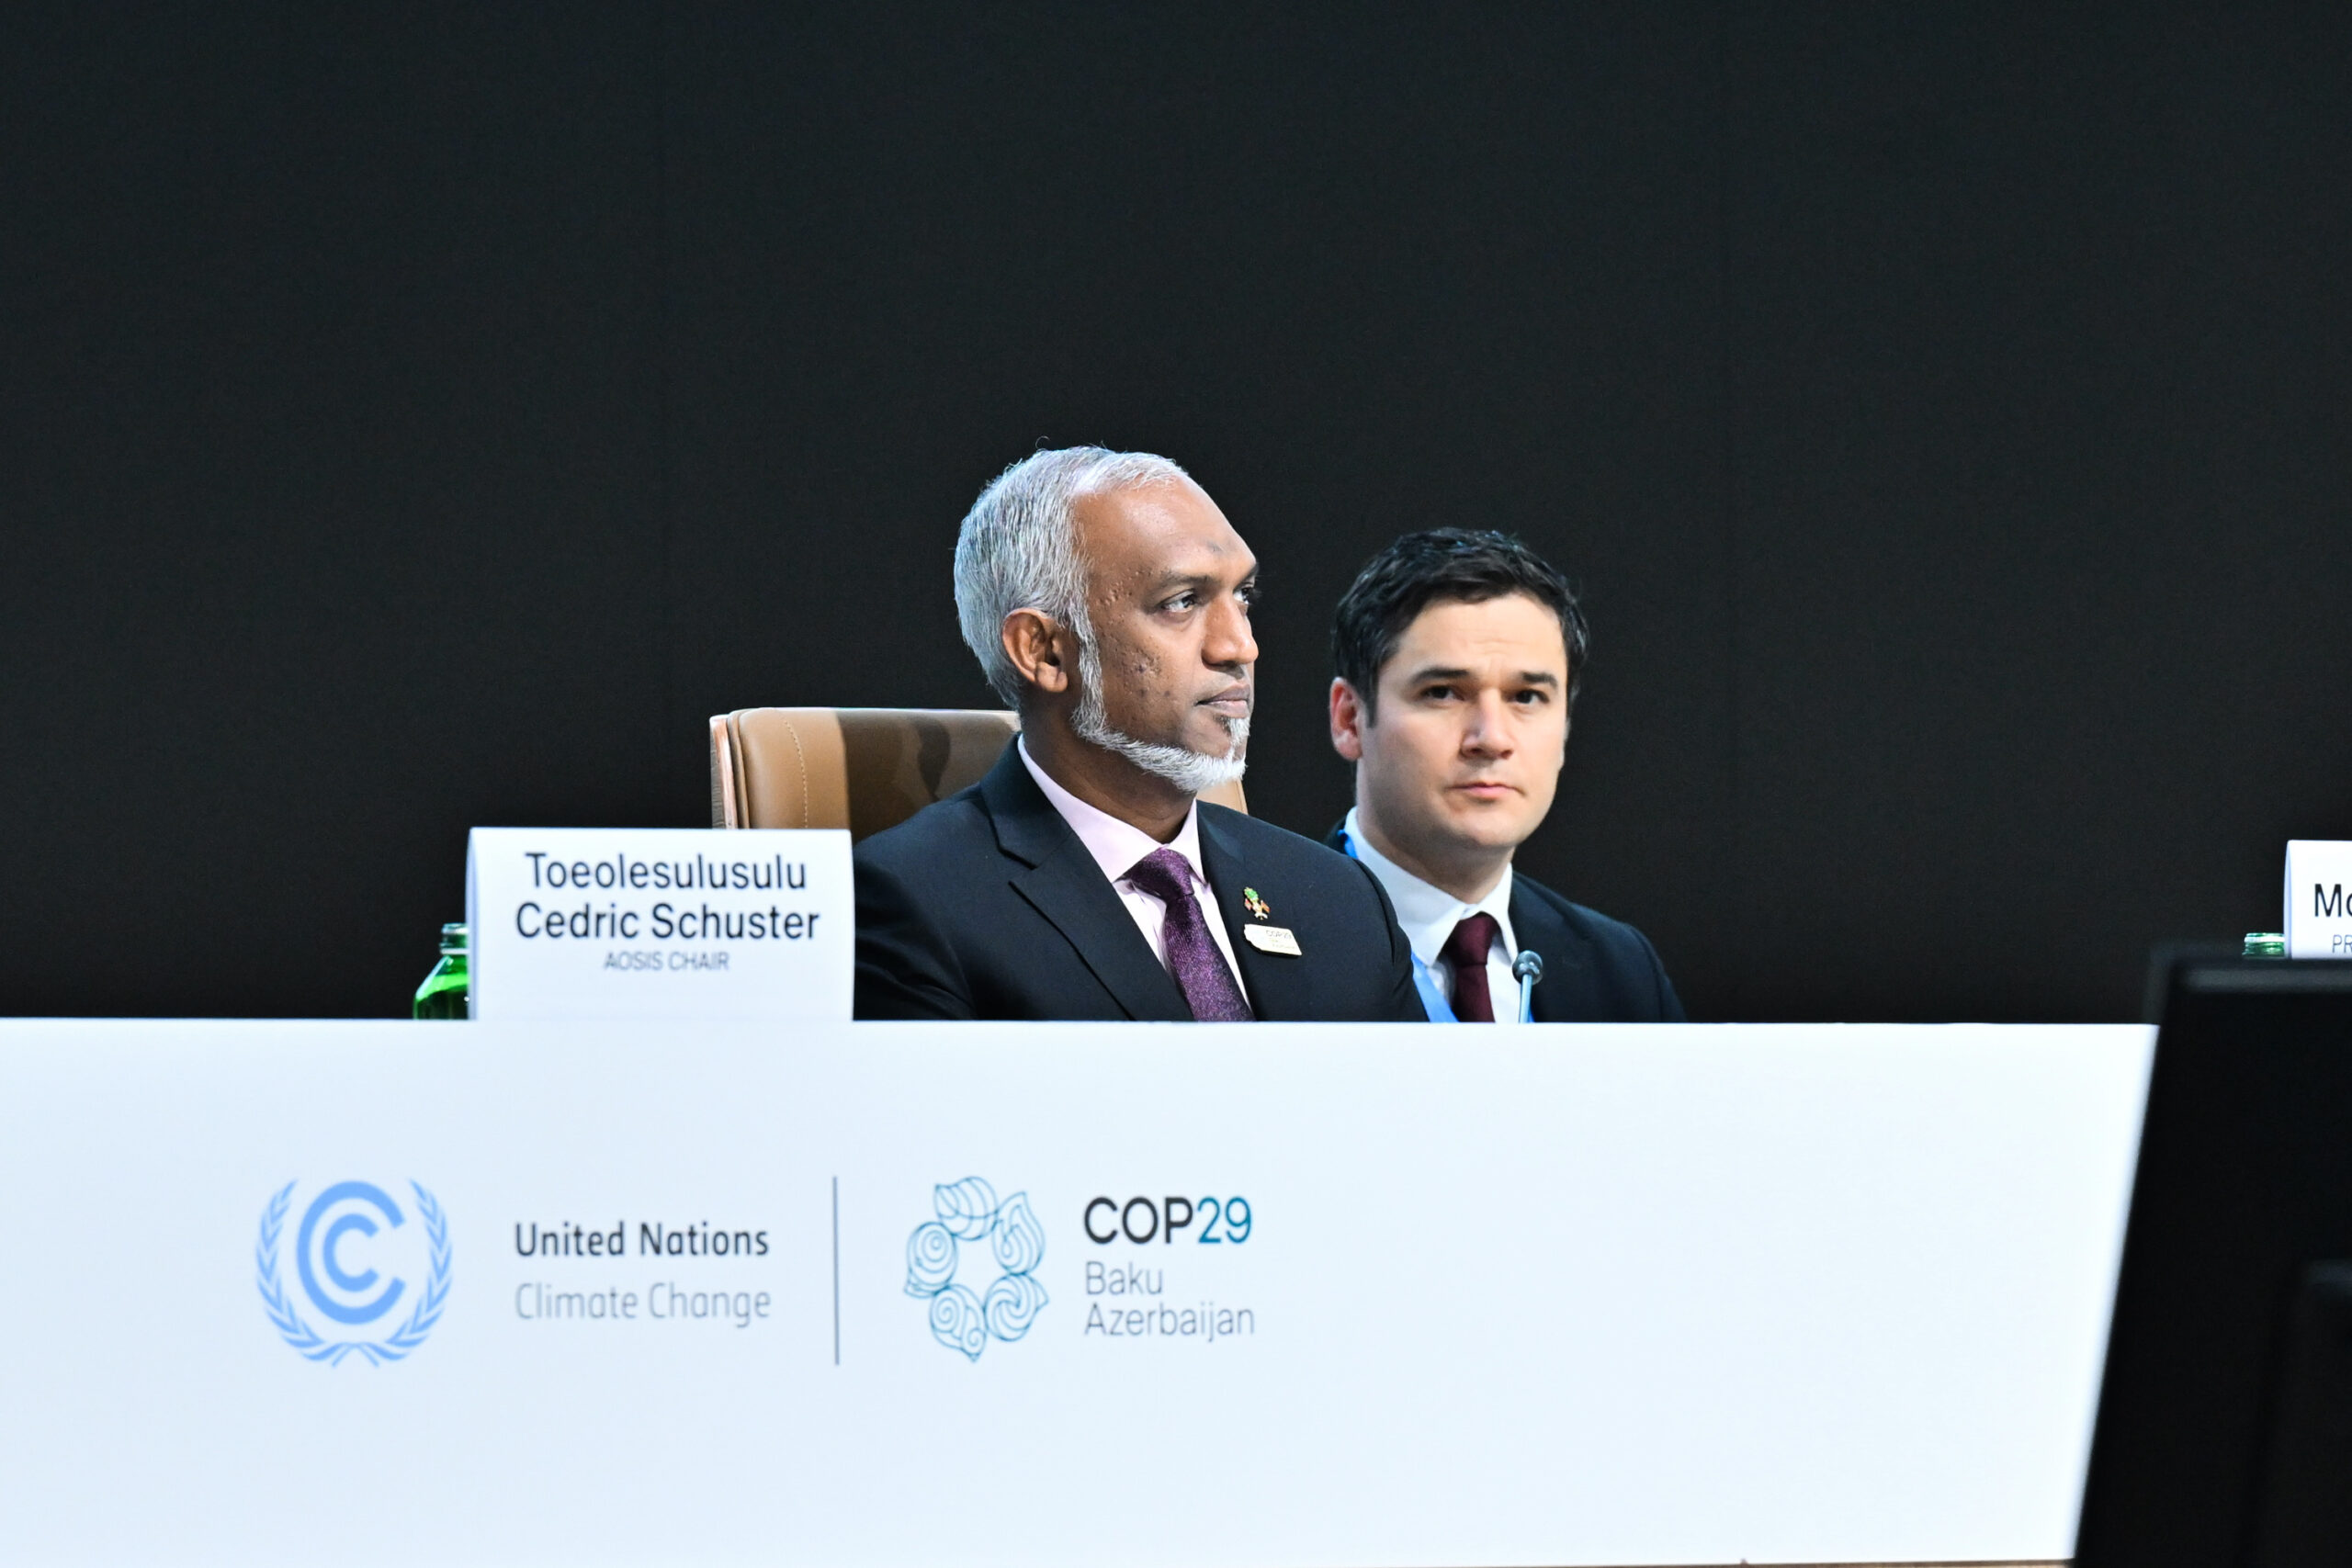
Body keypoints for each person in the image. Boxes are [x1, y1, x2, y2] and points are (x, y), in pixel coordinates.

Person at [854, 447, 1423, 1022]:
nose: (1241, 646)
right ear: (1044, 651)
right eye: (1182, 602)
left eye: (1243, 596)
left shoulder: (1341, 900)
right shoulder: (912, 902)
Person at [1326, 529, 1684, 1023]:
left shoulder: (1621, 970)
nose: (1492, 738)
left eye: (1526, 697)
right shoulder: (1264, 948)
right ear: (1349, 720)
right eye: (1443, 692)